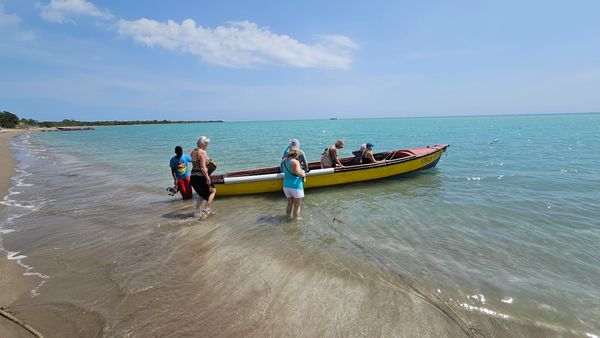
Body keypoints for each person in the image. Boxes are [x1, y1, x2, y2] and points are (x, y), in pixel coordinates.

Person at [190, 136, 217, 218]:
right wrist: (207, 178)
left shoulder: (193, 151)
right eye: (206, 143)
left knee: (202, 194)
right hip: (201, 177)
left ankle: (197, 212)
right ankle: (207, 209)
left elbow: (195, 164)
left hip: (193, 177)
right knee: (213, 191)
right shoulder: (203, 152)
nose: (207, 144)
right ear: (202, 143)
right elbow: (202, 167)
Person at [281, 147, 306, 219]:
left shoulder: (284, 161)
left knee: (289, 204)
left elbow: (284, 170)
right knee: (297, 205)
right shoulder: (295, 162)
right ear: (296, 154)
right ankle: (296, 221)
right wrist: (303, 173)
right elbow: (298, 173)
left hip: (286, 185)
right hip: (296, 186)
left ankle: (288, 217)